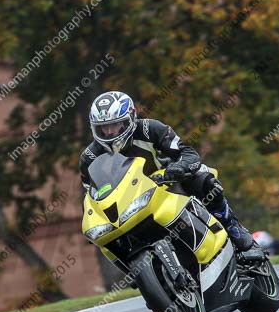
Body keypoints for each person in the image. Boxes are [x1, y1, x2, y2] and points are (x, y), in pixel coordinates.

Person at [79, 91, 255, 250]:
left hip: (167, 183)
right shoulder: (89, 158)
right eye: (104, 128)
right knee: (110, 239)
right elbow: (91, 197)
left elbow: (189, 153)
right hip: (129, 203)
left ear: (130, 118)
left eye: (115, 125)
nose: (110, 132)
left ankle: (231, 225)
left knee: (205, 179)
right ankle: (134, 268)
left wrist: (177, 168)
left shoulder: (150, 129)